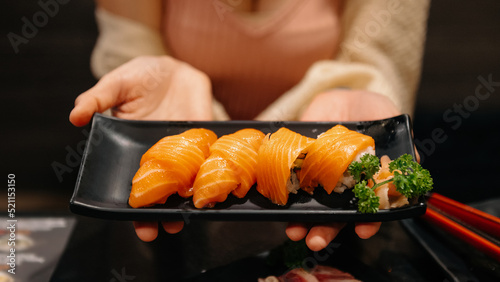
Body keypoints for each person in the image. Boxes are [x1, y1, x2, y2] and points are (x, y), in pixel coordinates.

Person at [70, 0, 429, 253]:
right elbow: (130, 48)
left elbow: (378, 57)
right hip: (181, 241)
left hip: (330, 236)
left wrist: (351, 95)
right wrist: (155, 82)